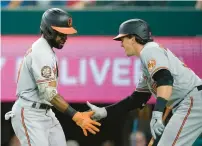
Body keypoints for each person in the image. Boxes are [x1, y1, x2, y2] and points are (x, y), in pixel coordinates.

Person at [87, 18, 202, 146]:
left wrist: (157, 112)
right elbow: (137, 99)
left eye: (122, 39)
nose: (121, 44)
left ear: (133, 38)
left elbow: (165, 79)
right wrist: (104, 111)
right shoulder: (147, 61)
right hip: (191, 100)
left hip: (192, 100)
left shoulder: (149, 50)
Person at [4, 8, 101, 146]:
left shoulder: (47, 50)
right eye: (62, 34)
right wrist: (76, 115)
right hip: (30, 113)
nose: (65, 38)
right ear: (49, 31)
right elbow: (49, 94)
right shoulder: (41, 52)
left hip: (46, 112)